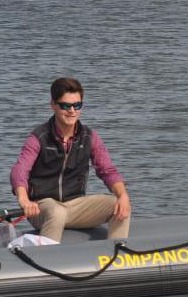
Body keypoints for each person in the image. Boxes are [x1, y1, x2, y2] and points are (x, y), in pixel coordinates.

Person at [10, 77, 131, 243]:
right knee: (56, 212)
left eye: (77, 105)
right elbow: (20, 170)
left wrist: (123, 194)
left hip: (76, 205)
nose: (72, 111)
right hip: (42, 207)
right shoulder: (39, 137)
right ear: (53, 105)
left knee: (119, 204)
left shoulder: (89, 137)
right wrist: (24, 200)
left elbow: (107, 170)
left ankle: (115, 254)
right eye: (66, 106)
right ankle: (46, 256)